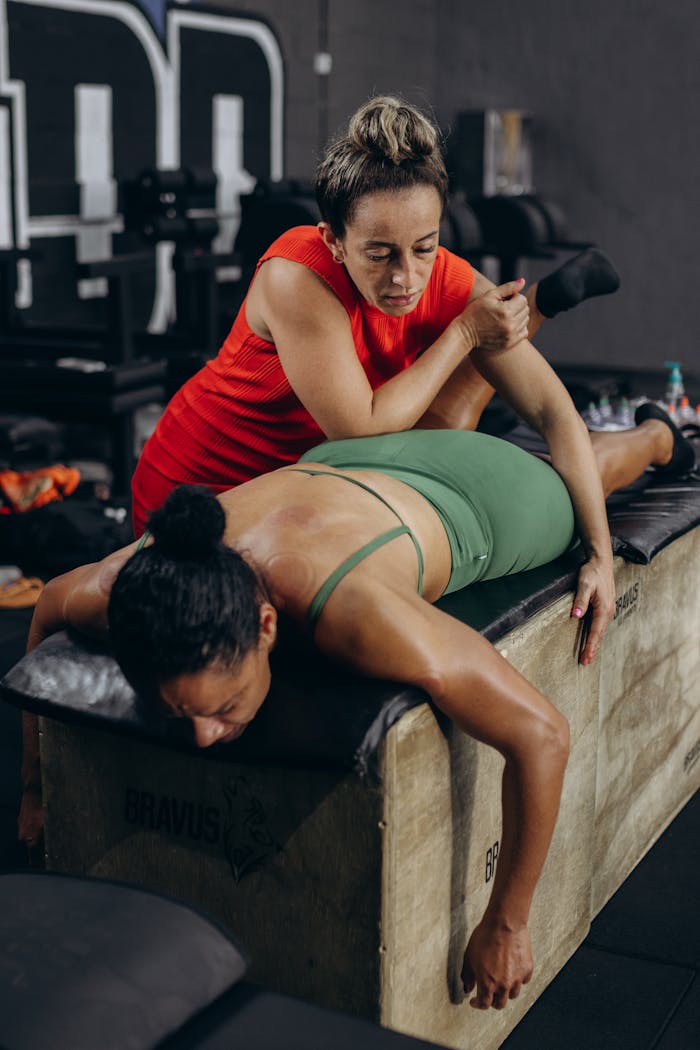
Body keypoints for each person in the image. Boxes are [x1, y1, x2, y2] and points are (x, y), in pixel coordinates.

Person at [19, 408, 694, 1010]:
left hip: (479, 497)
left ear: (265, 625)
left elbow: (542, 734)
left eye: (223, 707)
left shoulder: (354, 615)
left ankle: (657, 434)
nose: (202, 737)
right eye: (178, 711)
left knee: (580, 484)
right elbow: (48, 605)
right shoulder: (130, 587)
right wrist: (35, 787)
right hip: (342, 464)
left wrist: (507, 925)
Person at [131, 93, 619, 538]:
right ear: (334, 241)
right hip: (196, 490)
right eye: (380, 254)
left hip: (300, 492)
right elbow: (359, 426)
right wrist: (465, 331)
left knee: (446, 427)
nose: (406, 276)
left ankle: (549, 313)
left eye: (424, 247)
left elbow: (555, 413)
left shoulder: (449, 277)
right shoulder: (298, 278)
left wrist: (600, 555)